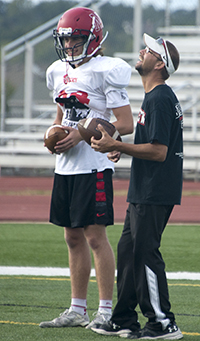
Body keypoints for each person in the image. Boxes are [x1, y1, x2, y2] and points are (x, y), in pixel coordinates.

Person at [39, 7, 133, 330]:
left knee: (95, 236)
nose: (69, 46)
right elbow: (60, 116)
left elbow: (125, 122)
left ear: (92, 38)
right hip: (65, 167)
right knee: (72, 237)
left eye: (76, 39)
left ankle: (105, 310)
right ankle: (77, 309)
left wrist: (82, 133)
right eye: (66, 40)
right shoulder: (57, 71)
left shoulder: (105, 70)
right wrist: (52, 137)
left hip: (93, 164)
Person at [90, 33, 183, 340]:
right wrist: (122, 146)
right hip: (146, 188)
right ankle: (124, 318)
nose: (142, 51)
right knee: (128, 250)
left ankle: (161, 322)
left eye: (150, 50)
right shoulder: (155, 97)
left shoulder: (158, 98)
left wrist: (117, 143)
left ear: (159, 63)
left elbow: (159, 152)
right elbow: (152, 145)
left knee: (144, 253)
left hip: (154, 189)